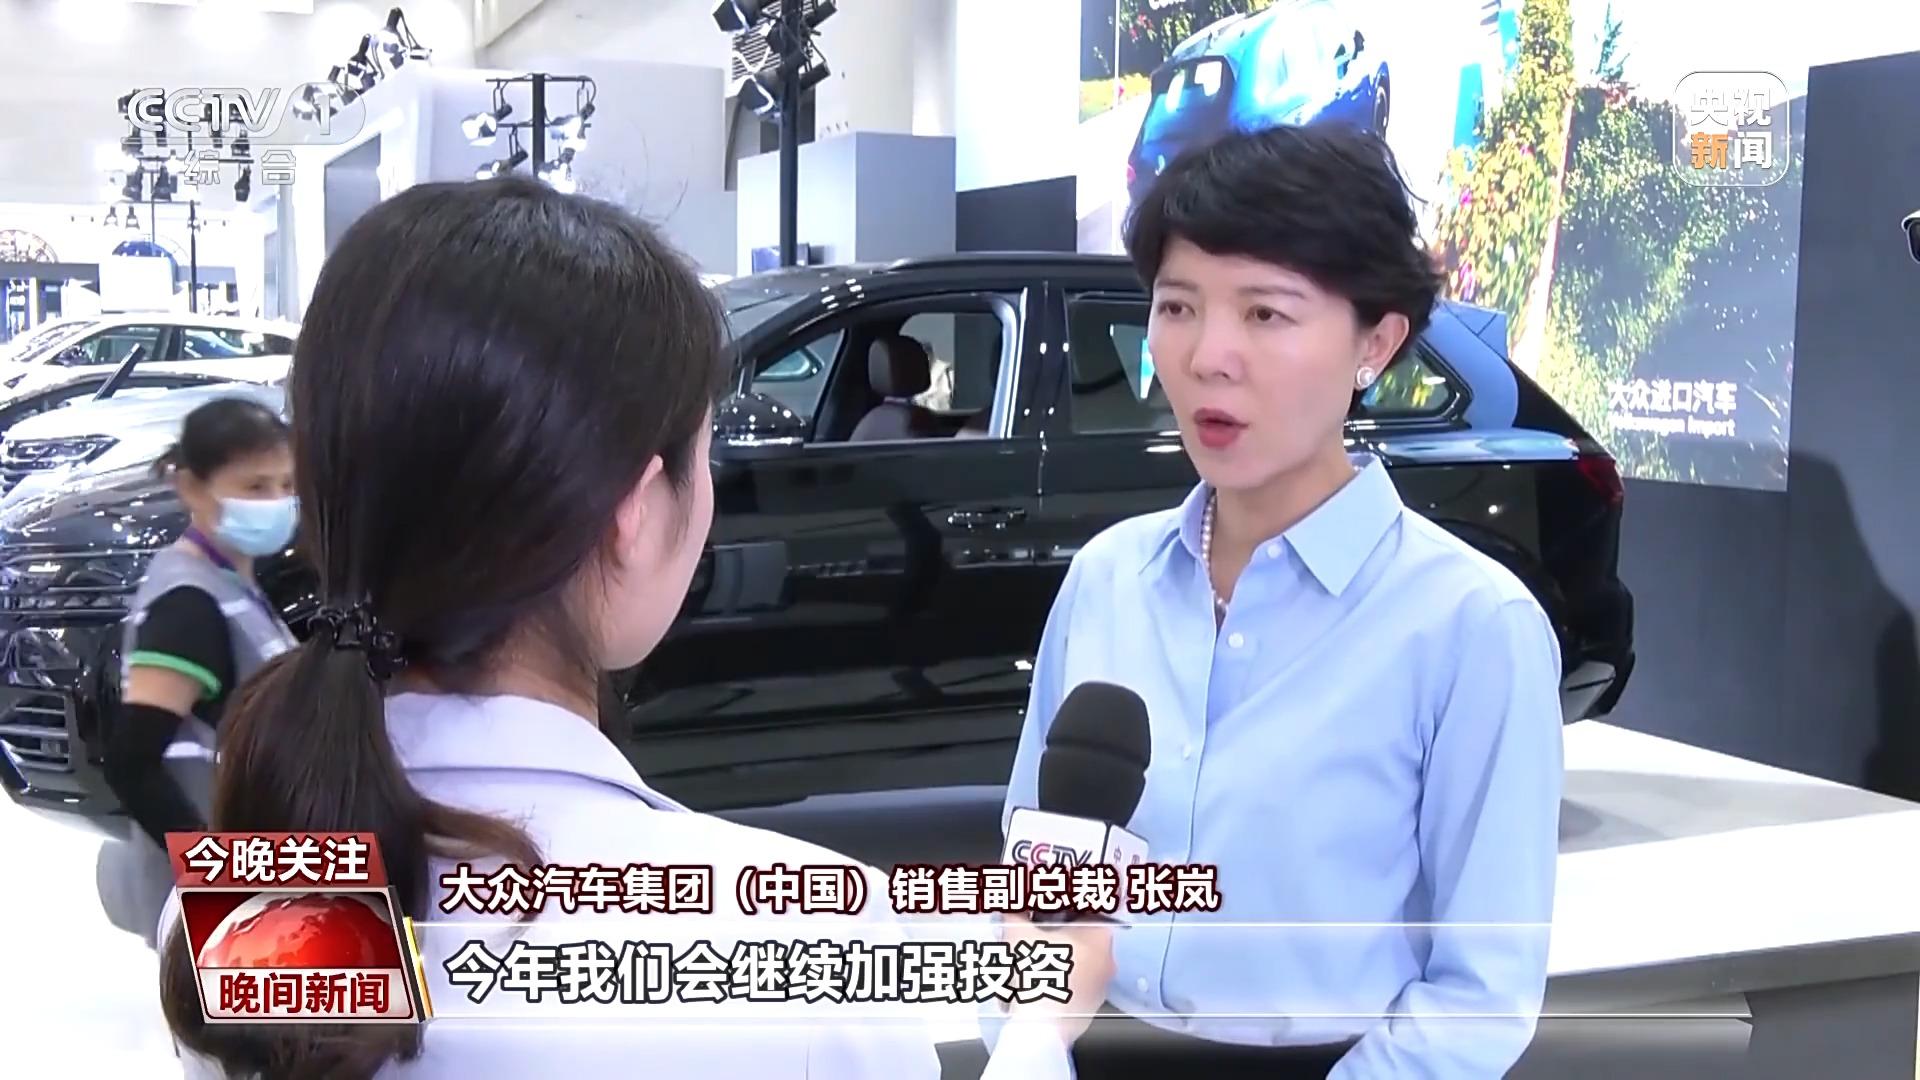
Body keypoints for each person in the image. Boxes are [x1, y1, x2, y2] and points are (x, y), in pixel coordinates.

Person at [156, 176, 1108, 1079]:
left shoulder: (236, 909)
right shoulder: (800, 950)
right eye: (706, 453)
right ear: (636, 511)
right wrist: (1037, 1031)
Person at [1002, 123, 1565, 1078]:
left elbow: (1480, 993)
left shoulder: (1471, 626)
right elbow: (1033, 898)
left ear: (1376, 342)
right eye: (1178, 307)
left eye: (1265, 313)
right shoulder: (1106, 579)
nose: (1209, 356)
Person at [98, 397, 298, 943]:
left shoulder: (233, 583)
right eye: (254, 486)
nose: (277, 502)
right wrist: (218, 873)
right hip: (220, 910)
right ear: (191, 487)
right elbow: (132, 763)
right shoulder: (187, 604)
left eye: (286, 485)